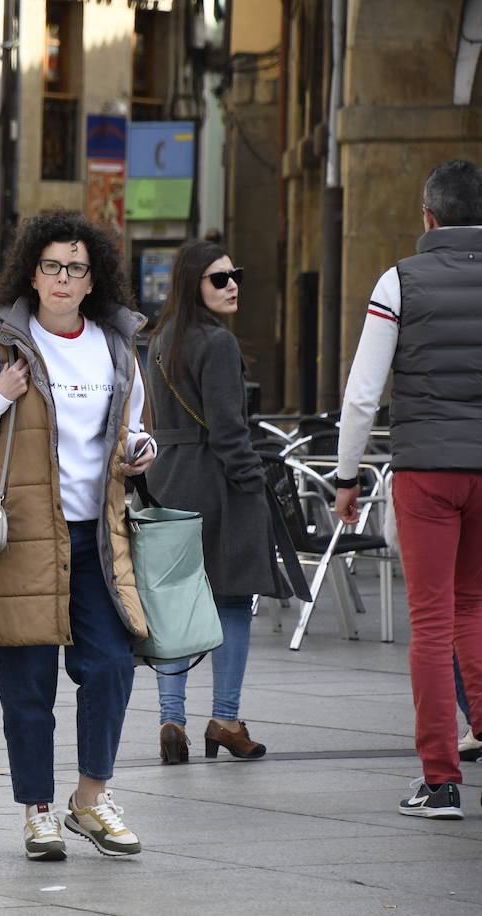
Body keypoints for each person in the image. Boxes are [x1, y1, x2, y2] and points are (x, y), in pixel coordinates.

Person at [0, 210, 154, 862]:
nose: (63, 278)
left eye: (76, 269)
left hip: (96, 538)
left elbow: (137, 429)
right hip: (23, 537)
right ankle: (37, 812)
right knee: (28, 684)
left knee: (112, 666)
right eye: (52, 266)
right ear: (33, 273)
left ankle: (91, 797)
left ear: (93, 281)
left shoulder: (115, 348)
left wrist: (142, 451)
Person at [335, 159, 482, 820]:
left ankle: (441, 780)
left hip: (426, 473)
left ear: (428, 217)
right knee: (475, 608)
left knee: (431, 619)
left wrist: (345, 477)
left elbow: (363, 394)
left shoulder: (399, 281)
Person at [144, 239, 288, 764]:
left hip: (168, 483)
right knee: (232, 602)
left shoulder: (158, 341)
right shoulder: (218, 344)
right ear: (192, 284)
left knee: (175, 605)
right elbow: (230, 434)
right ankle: (225, 719)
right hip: (220, 486)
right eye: (219, 278)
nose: (233, 286)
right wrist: (253, 482)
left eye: (236, 275)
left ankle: (171, 720)